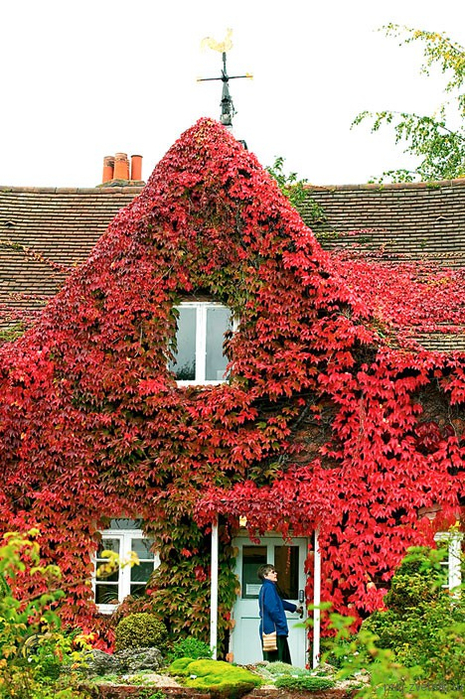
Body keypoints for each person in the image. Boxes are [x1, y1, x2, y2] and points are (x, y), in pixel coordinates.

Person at [257, 563, 303, 664]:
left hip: (270, 630)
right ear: (265, 576)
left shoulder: (268, 587)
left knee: (277, 661)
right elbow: (273, 608)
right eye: (272, 572)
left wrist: (294, 608)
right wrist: (281, 623)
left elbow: (279, 602)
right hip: (273, 631)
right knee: (276, 662)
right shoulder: (269, 588)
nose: (276, 573)